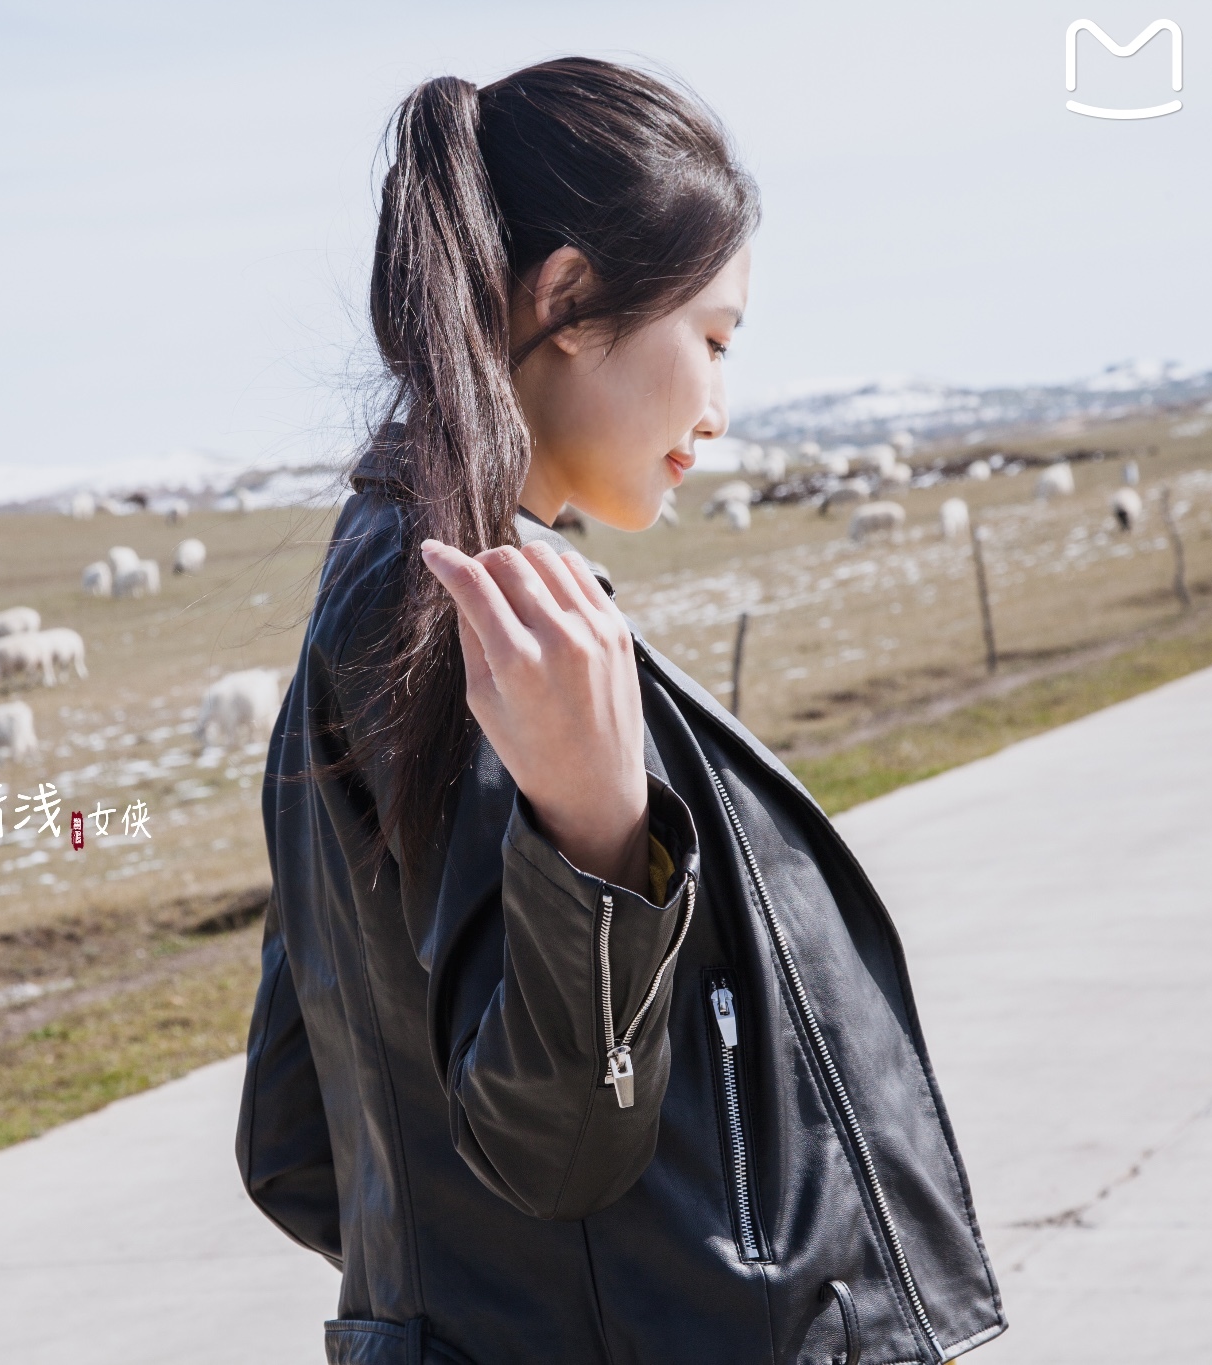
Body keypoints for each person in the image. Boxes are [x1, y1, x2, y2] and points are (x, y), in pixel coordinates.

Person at [238, 58, 1004, 1365]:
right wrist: (597, 843)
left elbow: (299, 1140)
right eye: (712, 340)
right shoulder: (478, 612)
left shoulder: (389, 584)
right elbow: (555, 1143)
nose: (719, 411)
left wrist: (465, 1279)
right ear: (568, 299)